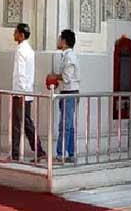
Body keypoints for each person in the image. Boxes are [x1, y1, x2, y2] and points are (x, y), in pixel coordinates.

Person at [6, 23, 45, 162]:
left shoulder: (21, 50)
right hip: (26, 91)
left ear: (21, 35)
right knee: (26, 122)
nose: (14, 35)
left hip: (21, 92)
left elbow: (21, 73)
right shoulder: (29, 50)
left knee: (18, 124)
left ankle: (18, 154)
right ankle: (37, 151)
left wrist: (21, 91)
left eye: (15, 32)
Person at [47, 29, 79, 164]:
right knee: (69, 125)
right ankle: (71, 153)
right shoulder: (66, 56)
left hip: (69, 94)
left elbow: (66, 77)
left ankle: (60, 154)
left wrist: (53, 76)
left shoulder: (69, 57)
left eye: (60, 38)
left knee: (65, 125)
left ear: (64, 41)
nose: (58, 41)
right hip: (68, 93)